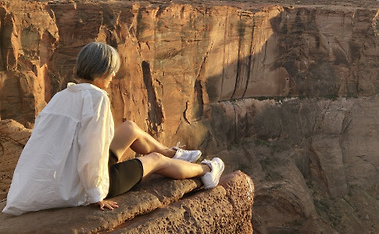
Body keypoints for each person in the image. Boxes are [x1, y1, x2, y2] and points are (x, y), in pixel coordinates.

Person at [3, 42, 224, 216]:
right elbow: (91, 151)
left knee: (129, 128)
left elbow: (40, 144)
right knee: (155, 160)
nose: (113, 76)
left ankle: (175, 154)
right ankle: (207, 172)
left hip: (65, 173)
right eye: (112, 71)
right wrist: (96, 194)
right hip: (78, 186)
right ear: (103, 70)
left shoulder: (62, 96)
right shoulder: (96, 98)